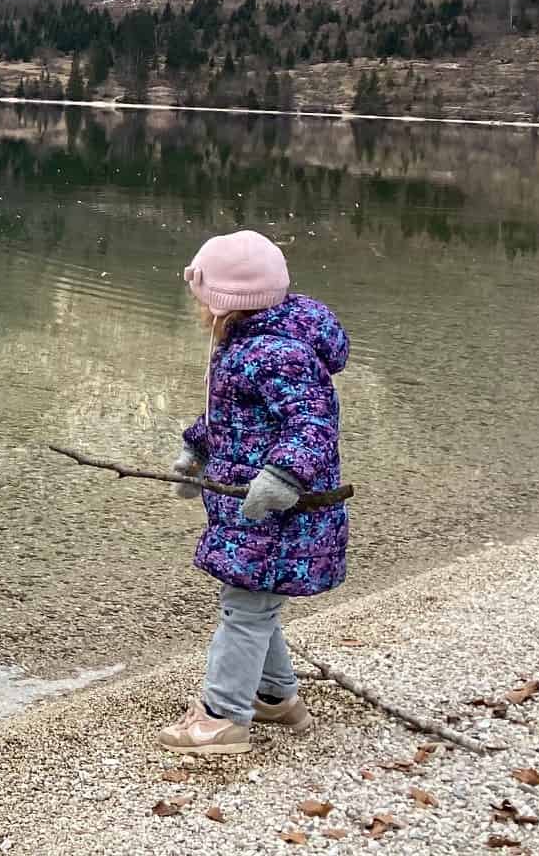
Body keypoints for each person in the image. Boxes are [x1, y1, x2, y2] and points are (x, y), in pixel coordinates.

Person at [160, 228, 350, 756]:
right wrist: (196, 451)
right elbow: (234, 417)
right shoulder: (247, 344)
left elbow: (313, 424)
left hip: (279, 515)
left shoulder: (274, 353)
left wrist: (283, 477)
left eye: (200, 296)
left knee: (245, 611)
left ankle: (222, 718)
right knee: (253, 606)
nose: (197, 308)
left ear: (222, 302)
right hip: (250, 511)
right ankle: (274, 696)